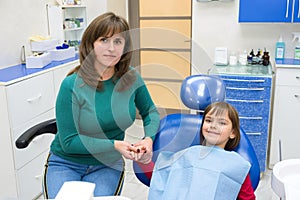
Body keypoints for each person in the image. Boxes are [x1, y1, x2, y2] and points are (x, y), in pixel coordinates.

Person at [43, 12, 160, 199]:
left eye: (118, 42)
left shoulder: (131, 78)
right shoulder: (72, 85)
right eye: (104, 40)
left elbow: (150, 111)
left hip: (107, 165)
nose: (111, 48)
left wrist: (148, 139)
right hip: (66, 163)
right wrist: (114, 145)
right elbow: (69, 142)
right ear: (91, 44)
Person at [148, 102, 256, 200]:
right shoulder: (187, 155)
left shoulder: (236, 165)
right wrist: (143, 159)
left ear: (233, 133)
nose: (213, 126)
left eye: (222, 123)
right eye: (209, 120)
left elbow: (248, 198)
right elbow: (160, 175)